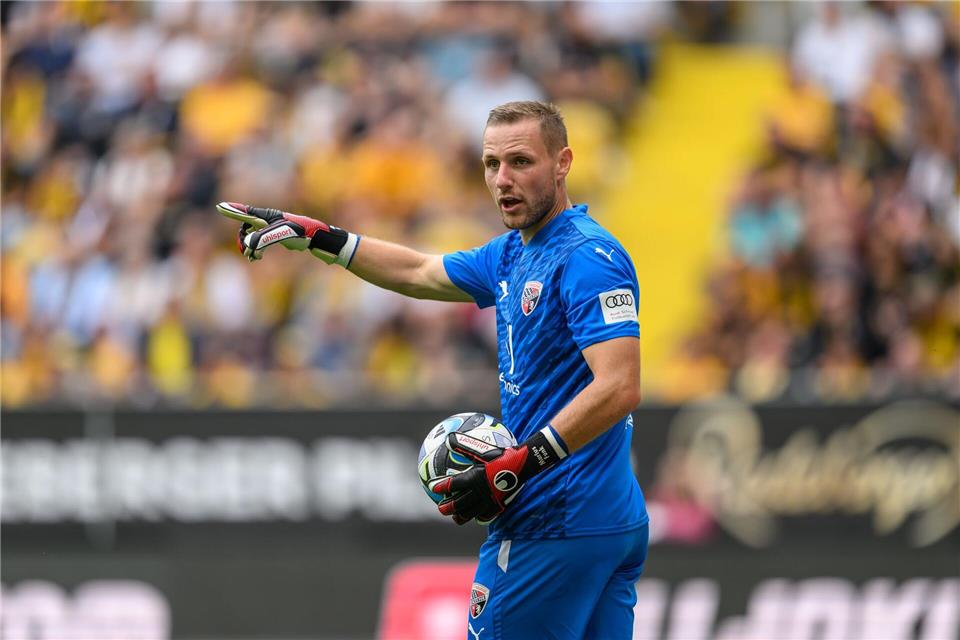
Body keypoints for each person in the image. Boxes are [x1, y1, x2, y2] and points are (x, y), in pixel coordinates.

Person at [218, 101, 648, 639]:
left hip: (553, 522)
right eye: (491, 164)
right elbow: (420, 271)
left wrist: (518, 462)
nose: (502, 180)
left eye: (520, 162)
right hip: (607, 520)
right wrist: (321, 238)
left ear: (563, 162)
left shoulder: (587, 256)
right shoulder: (513, 252)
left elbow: (620, 385)